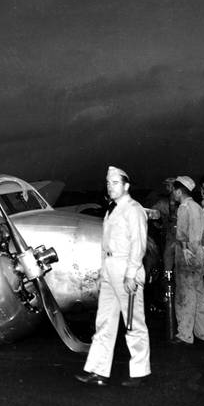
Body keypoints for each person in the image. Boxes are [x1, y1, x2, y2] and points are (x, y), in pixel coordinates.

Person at [77, 166, 150, 387]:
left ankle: (139, 373)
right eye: (108, 183)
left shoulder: (134, 209)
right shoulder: (112, 210)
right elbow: (105, 244)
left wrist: (130, 274)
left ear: (126, 186)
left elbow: (139, 244)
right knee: (104, 321)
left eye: (115, 183)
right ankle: (98, 371)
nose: (110, 187)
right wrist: (102, 272)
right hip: (110, 268)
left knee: (133, 322)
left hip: (127, 267)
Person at [170, 176, 204, 344]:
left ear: (179, 191)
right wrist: (202, 249)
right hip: (199, 256)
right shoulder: (199, 207)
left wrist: (187, 249)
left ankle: (185, 335)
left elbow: (180, 234)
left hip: (186, 256)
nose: (172, 193)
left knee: (184, 297)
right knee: (200, 295)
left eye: (173, 190)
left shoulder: (184, 207)